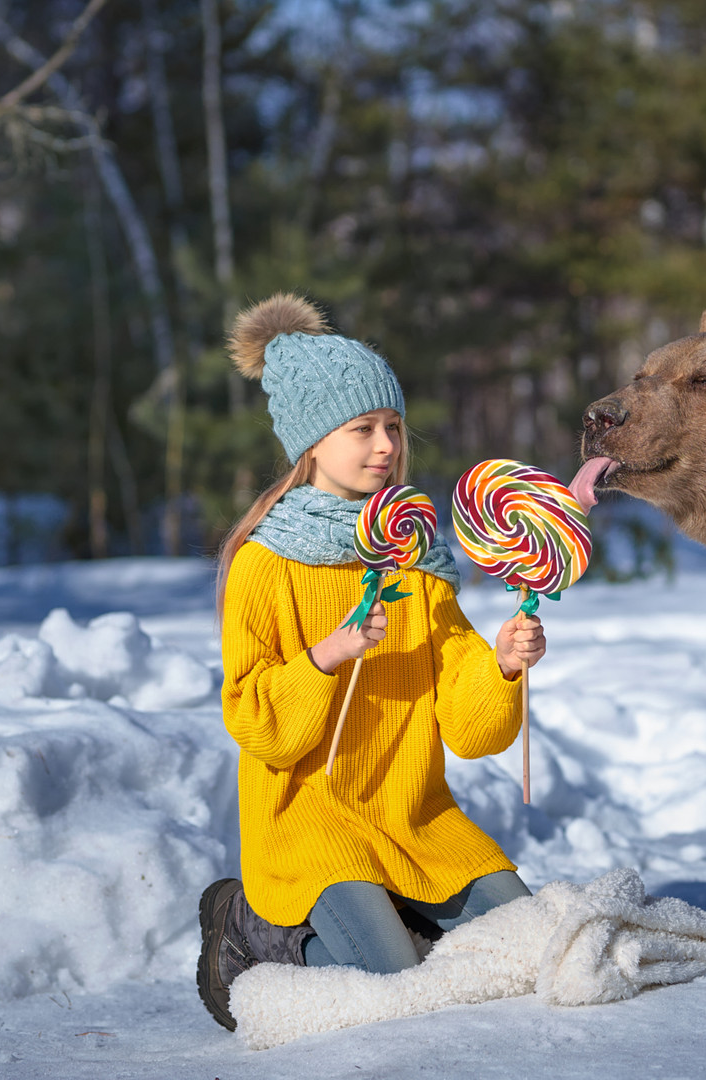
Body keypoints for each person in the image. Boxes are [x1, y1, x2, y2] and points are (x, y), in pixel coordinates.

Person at [196, 293, 545, 1031]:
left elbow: (469, 728)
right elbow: (258, 725)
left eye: (391, 426)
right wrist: (327, 656)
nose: (385, 444)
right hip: (311, 824)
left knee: (533, 945)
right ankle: (245, 931)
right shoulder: (265, 565)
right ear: (312, 443)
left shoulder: (413, 560)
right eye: (362, 429)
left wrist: (505, 666)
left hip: (416, 817)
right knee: (395, 983)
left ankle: (409, 926)